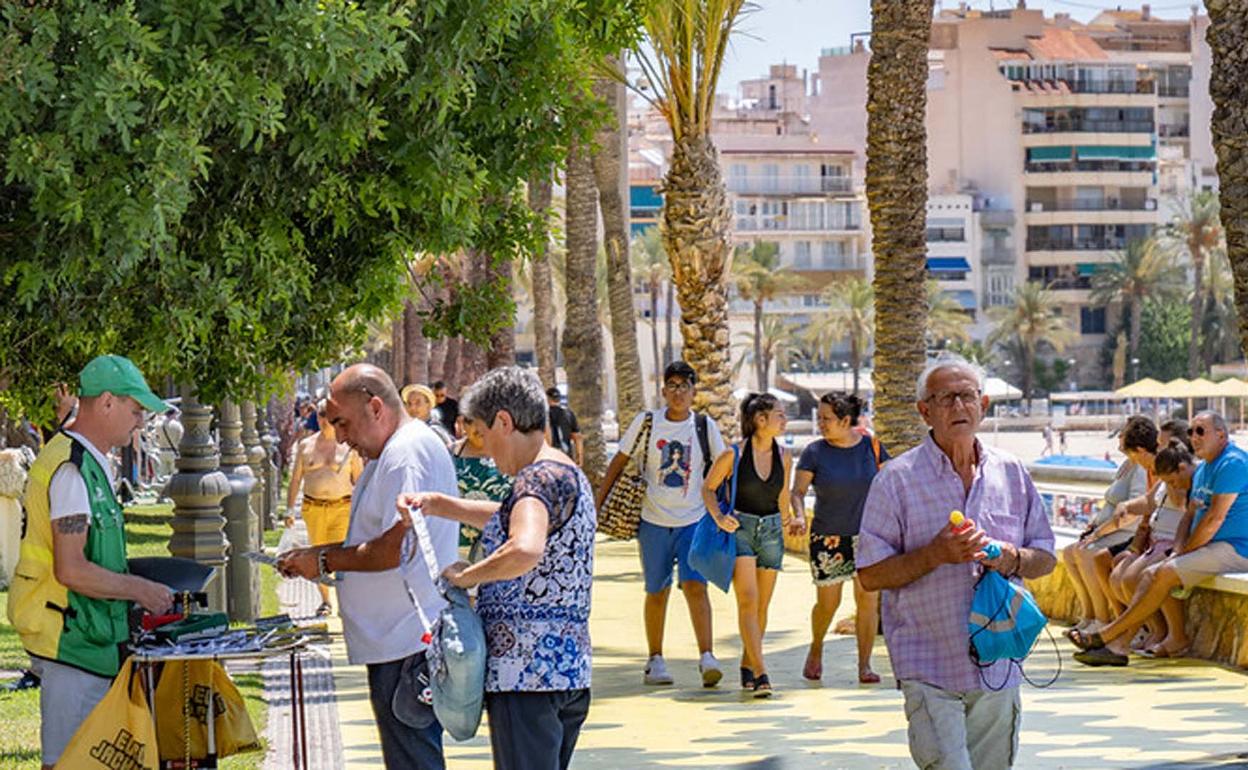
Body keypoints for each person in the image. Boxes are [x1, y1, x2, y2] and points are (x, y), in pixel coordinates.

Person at [857, 355, 1056, 769]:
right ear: (924, 411)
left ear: (983, 405)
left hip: (998, 661)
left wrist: (1007, 557)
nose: (958, 407)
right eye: (945, 398)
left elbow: (1046, 557)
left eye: (966, 396)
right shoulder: (896, 479)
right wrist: (935, 554)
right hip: (928, 662)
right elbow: (870, 574)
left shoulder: (1012, 473)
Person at [399, 366, 596, 770]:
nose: (485, 450)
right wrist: (440, 505)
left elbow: (525, 546)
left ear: (504, 422)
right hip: (565, 670)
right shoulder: (562, 472)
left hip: (525, 676)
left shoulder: (534, 481)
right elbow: (512, 517)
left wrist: (467, 576)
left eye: (484, 436)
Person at [277, 364, 460, 768]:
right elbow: (372, 539)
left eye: (343, 422)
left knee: (413, 759)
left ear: (376, 407)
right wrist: (316, 556)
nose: (340, 437)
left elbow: (395, 546)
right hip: (396, 640)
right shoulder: (392, 450)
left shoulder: (405, 452)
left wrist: (323, 558)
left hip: (407, 641)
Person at [7, 355, 175, 770]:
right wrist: (141, 590)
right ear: (105, 403)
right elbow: (72, 569)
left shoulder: (81, 458)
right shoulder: (73, 468)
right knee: (69, 762)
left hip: (84, 635)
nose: (139, 422)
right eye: (135, 411)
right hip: (70, 638)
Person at [1072, 411, 1248, 666]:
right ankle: (1118, 645)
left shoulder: (1232, 463)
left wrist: (1184, 552)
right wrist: (1179, 549)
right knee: (1150, 573)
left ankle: (1109, 635)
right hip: (1210, 547)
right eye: (1191, 431)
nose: (1194, 437)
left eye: (1201, 431)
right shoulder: (1204, 469)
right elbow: (1189, 516)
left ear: (1221, 434)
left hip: (1235, 549)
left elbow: (1213, 521)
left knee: (1160, 573)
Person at [597, 361, 726, 688]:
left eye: (685, 385)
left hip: (693, 521)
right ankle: (655, 658)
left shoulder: (703, 425)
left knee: (696, 586)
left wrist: (720, 509)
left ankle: (707, 655)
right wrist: (597, 502)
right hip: (652, 520)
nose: (679, 392)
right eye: (673, 385)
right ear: (664, 390)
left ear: (694, 391)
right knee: (657, 589)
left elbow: (722, 465)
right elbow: (620, 460)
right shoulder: (648, 422)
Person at [702, 392, 804, 698]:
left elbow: (783, 495)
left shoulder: (785, 456)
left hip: (772, 530)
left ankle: (748, 661)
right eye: (780, 415)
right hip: (741, 528)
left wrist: (789, 522)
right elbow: (708, 488)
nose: (784, 420)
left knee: (762, 605)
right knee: (747, 600)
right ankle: (761, 673)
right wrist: (719, 517)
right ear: (761, 420)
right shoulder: (733, 454)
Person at [790, 392, 888, 685]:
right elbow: (797, 492)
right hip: (828, 538)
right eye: (819, 418)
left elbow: (893, 481)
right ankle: (816, 648)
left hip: (869, 537)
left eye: (826, 419)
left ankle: (864, 665)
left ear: (846, 421)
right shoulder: (814, 452)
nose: (821, 423)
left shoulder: (872, 448)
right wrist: (797, 514)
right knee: (828, 604)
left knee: (868, 602)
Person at [1060, 417, 1153, 633]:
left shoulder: (1139, 469)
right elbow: (1112, 501)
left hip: (1123, 533)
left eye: (1123, 433)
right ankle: (1088, 615)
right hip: (1107, 530)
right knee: (1069, 553)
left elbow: (1132, 513)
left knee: (1086, 553)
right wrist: (1094, 526)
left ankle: (1102, 619)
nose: (1119, 437)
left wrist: (1099, 533)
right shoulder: (1126, 465)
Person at [1106, 437, 1194, 657]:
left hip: (1171, 542)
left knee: (1134, 578)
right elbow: (1148, 501)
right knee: (1118, 576)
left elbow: (1184, 506)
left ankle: (1164, 633)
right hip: (1156, 541)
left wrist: (1172, 484)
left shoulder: (1185, 481)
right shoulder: (1164, 480)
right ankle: (1154, 629)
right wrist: (1125, 505)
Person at [285, 399, 364, 616]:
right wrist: (289, 510)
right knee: (317, 555)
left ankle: (343, 602)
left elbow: (359, 481)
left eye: (326, 416)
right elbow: (295, 480)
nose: (322, 421)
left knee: (341, 555)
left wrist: (361, 511)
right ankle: (326, 601)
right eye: (319, 416)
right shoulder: (306, 445)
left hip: (342, 507)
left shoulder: (348, 447)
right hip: (314, 507)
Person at [450, 414, 512, 557]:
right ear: (463, 423)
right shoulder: (449, 453)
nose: (478, 427)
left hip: (501, 545)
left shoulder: (511, 453)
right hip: (458, 545)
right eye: (471, 421)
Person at [546, 387, 584, 467]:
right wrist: (579, 456)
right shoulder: (568, 413)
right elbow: (577, 437)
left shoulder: (542, 414)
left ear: (547, 399)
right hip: (566, 456)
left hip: (548, 457)